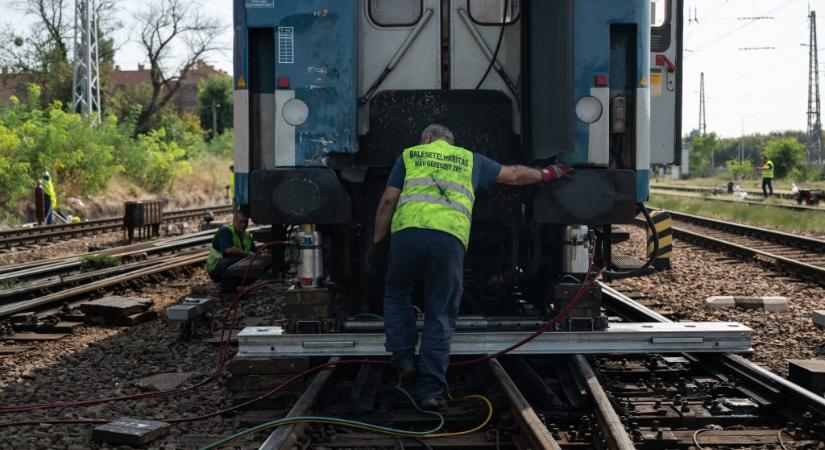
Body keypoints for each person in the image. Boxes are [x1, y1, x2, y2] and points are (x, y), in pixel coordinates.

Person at [369, 124, 572, 411]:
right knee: (440, 312)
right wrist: (549, 173)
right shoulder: (470, 159)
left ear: (426, 139)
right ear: (451, 142)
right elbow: (513, 175)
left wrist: (377, 243)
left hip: (408, 236)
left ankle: (404, 361)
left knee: (397, 291)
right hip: (449, 240)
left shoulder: (410, 155)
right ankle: (430, 392)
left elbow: (388, 200)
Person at [206, 208, 256, 294]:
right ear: (234, 220)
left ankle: (234, 286)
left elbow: (254, 253)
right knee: (232, 262)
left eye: (246, 222)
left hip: (230, 265)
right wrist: (247, 255)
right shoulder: (225, 231)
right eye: (241, 222)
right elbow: (228, 250)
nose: (244, 224)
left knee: (255, 264)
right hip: (216, 269)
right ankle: (226, 291)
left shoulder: (247, 236)